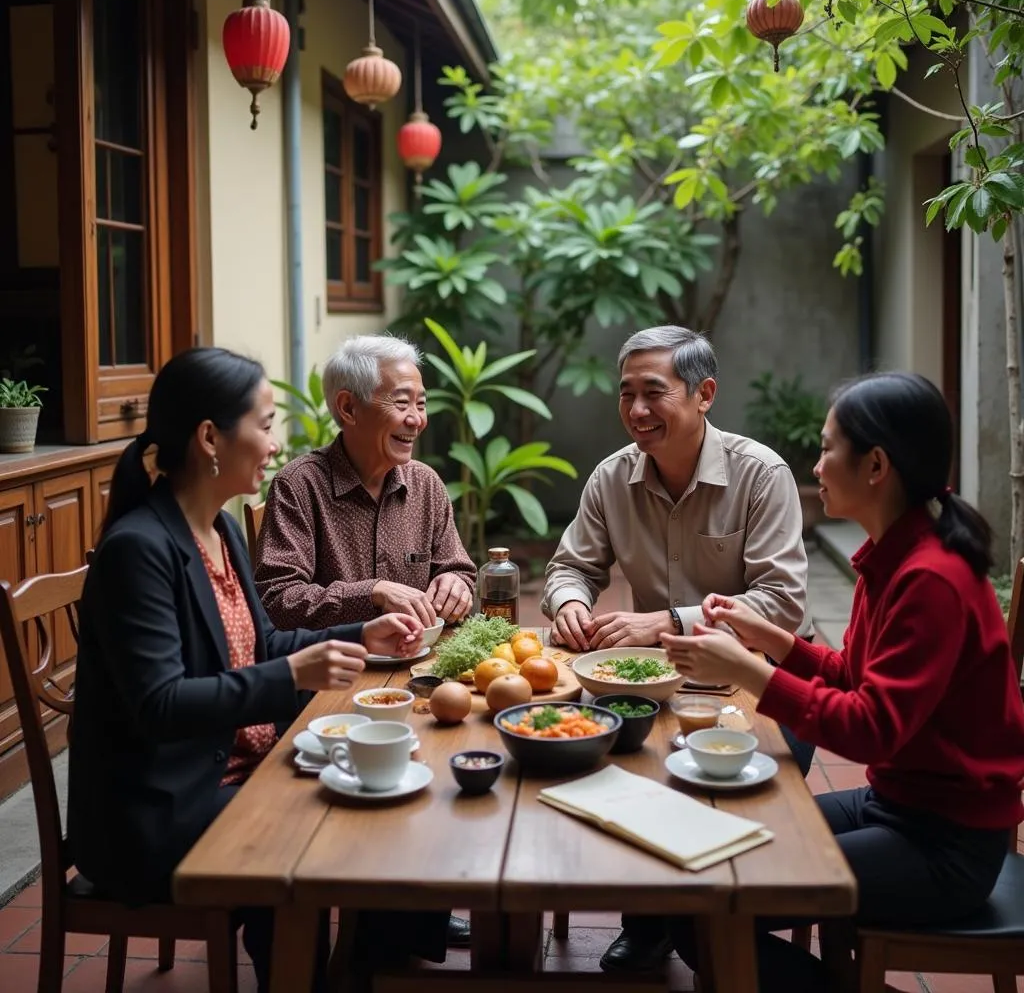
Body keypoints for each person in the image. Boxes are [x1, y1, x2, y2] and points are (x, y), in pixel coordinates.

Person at [66, 348, 445, 993]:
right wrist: (294, 673)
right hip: (158, 807)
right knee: (336, 821)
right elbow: (159, 705)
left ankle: (365, 958)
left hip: (229, 768)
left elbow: (262, 640)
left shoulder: (216, 532)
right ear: (211, 438)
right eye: (266, 425)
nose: (276, 444)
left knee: (384, 793)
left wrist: (359, 632)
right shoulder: (139, 549)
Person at [662, 371, 1024, 992]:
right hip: (897, 805)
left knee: (705, 915)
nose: (818, 463)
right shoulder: (892, 558)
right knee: (706, 870)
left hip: (947, 845)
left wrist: (745, 669)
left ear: (876, 465)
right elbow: (856, 676)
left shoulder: (929, 579)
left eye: (829, 448)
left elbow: (871, 728)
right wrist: (769, 638)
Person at [539, 325, 814, 974]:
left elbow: (781, 602)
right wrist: (572, 603)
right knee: (615, 764)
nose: (637, 411)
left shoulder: (760, 474)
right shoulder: (613, 476)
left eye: (654, 393)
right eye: (626, 394)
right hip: (645, 680)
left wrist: (666, 622)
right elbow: (566, 567)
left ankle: (706, 916)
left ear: (704, 394)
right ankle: (654, 919)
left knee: (711, 787)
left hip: (760, 688)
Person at [255, 334, 476, 631]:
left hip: (420, 663)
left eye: (420, 404)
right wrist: (373, 593)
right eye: (401, 403)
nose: (416, 420)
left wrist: (455, 584)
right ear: (348, 408)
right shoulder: (299, 485)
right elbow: (278, 600)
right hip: (340, 666)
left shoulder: (425, 483)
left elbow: (456, 567)